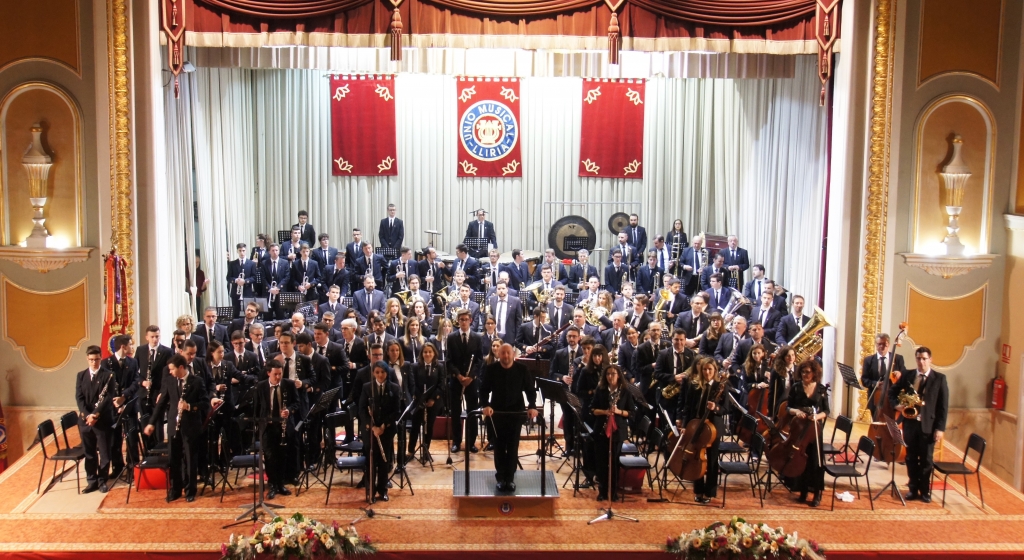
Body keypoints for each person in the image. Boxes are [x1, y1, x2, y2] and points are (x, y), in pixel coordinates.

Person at [143, 354, 210, 502]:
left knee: (191, 459)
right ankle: (175, 490)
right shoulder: (169, 381)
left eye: (172, 369)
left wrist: (190, 407)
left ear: (181, 367)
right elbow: (161, 404)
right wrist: (151, 423)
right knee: (174, 459)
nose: (170, 372)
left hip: (191, 427)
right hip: (174, 426)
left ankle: (190, 490)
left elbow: (205, 404)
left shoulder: (197, 381)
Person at [891, 346, 948, 503]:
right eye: (918, 358)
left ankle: (925, 491)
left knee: (926, 460)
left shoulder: (940, 379)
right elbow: (892, 392)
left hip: (928, 426)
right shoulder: (908, 375)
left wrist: (940, 429)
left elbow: (943, 407)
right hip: (910, 424)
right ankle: (913, 488)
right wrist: (897, 405)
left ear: (930, 359)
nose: (921, 361)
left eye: (924, 358)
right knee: (910, 458)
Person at [481, 344, 539, 492]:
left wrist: (532, 406)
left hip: (516, 414)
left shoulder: (522, 369)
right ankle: (500, 478)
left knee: (513, 447)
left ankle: (510, 478)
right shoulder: (491, 369)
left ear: (513, 354)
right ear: (499, 354)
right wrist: (485, 405)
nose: (506, 356)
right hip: (497, 414)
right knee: (499, 446)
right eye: (503, 353)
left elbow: (531, 391)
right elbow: (483, 390)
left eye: (508, 353)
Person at [251, 359, 298, 499]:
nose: (278, 377)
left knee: (283, 456)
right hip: (268, 426)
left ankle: (280, 484)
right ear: (268, 373)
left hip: (284, 426)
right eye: (275, 374)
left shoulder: (289, 384)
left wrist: (289, 410)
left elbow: (297, 403)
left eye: (280, 374)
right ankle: (272, 485)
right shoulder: (260, 386)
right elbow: (257, 408)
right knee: (270, 457)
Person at [785, 359, 830, 507]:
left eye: (808, 372)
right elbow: (788, 407)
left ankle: (817, 494)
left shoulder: (821, 389)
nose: (805, 375)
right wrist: (797, 411)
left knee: (815, 462)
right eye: (803, 372)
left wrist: (816, 416)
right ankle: (803, 491)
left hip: (815, 430)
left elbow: (826, 411)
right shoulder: (796, 388)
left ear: (814, 373)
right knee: (801, 462)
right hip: (799, 429)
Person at [683, 356, 726, 504]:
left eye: (710, 369)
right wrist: (685, 425)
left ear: (715, 371)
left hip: (713, 428)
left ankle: (710, 491)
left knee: (712, 460)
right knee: (697, 459)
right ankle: (698, 490)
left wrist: (716, 408)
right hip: (696, 426)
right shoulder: (695, 385)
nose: (707, 372)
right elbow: (688, 407)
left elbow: (727, 409)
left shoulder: (720, 386)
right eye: (705, 369)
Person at [75, 346, 118, 493]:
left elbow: (108, 398)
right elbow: (79, 398)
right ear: (87, 359)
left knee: (105, 453)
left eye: (97, 359)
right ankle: (91, 480)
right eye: (91, 360)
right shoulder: (81, 376)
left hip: (102, 420)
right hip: (86, 421)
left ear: (101, 359)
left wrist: (95, 415)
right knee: (89, 453)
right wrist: (88, 415)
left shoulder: (109, 375)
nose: (94, 362)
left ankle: (102, 481)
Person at [590, 364, 634, 501]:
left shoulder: (625, 391)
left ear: (619, 375)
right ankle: (602, 491)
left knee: (614, 462)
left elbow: (631, 413)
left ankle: (614, 492)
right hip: (601, 430)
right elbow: (592, 410)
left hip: (617, 432)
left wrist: (618, 412)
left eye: (613, 374)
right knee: (601, 462)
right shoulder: (601, 389)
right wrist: (605, 412)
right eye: (608, 374)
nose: (610, 377)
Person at [359, 361, 401, 502]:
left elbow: (396, 411)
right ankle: (370, 491)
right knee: (371, 461)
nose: (380, 375)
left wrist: (383, 426)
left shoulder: (394, 388)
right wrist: (373, 427)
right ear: (373, 373)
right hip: (370, 431)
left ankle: (382, 490)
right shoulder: (366, 388)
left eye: (382, 372)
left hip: (386, 430)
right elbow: (362, 410)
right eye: (377, 372)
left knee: (384, 461)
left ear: (387, 373)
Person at [448, 310, 484, 453]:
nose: (463, 322)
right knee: (455, 412)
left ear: (471, 320)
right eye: (461, 319)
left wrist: (471, 377)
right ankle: (456, 441)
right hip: (456, 380)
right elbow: (449, 361)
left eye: (466, 319)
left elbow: (479, 360)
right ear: (458, 321)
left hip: (471, 380)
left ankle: (471, 442)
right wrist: (458, 376)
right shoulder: (451, 337)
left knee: (472, 411)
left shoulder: (477, 337)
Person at [409, 342, 443, 459]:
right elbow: (413, 385)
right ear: (422, 354)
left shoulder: (440, 367)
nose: (427, 354)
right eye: (425, 352)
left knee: (429, 427)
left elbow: (441, 385)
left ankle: (425, 451)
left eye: (430, 352)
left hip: (433, 402)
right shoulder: (415, 367)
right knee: (415, 426)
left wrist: (433, 399)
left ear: (434, 353)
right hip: (419, 401)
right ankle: (410, 451)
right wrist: (421, 399)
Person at [862, 333, 906, 418]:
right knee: (877, 423)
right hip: (876, 399)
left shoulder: (898, 359)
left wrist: (900, 374)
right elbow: (864, 380)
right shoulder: (868, 360)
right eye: (879, 344)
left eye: (885, 344)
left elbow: (905, 376)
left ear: (889, 345)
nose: (882, 346)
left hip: (893, 398)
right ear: (876, 345)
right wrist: (875, 384)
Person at [770, 346, 797, 420]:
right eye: (788, 355)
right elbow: (772, 393)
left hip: (795, 404)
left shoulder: (799, 370)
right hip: (781, 403)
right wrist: (770, 413)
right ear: (783, 357)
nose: (791, 357)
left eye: (792, 355)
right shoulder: (776, 371)